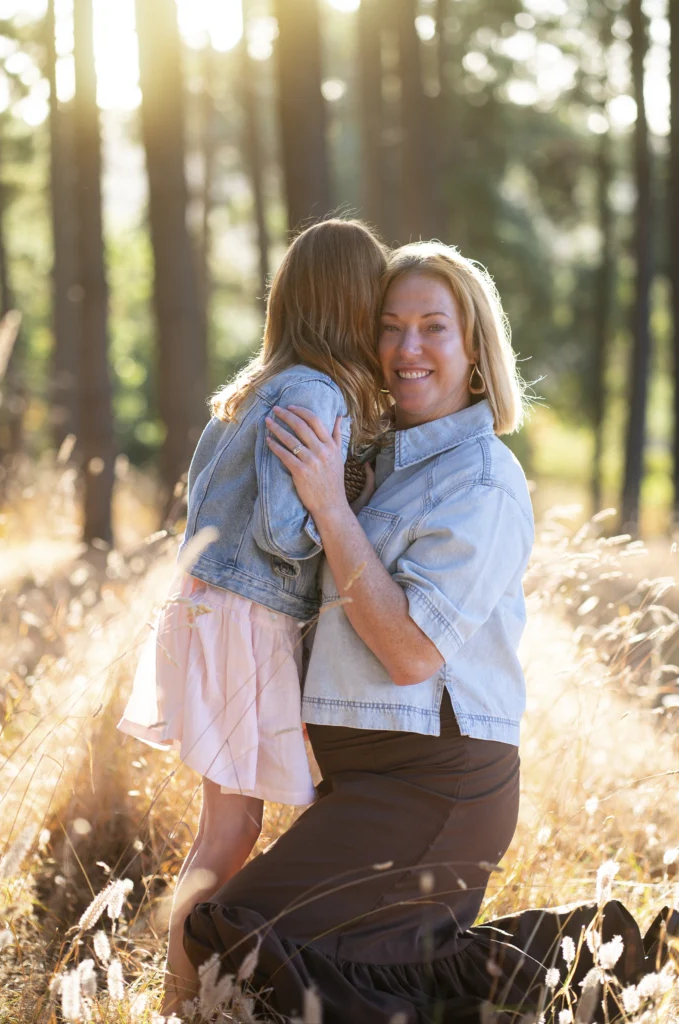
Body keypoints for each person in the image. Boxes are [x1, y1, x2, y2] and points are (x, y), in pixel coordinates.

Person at [183, 243, 677, 1023]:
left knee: (238, 942)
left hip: (434, 785)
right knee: (329, 965)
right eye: (390, 326)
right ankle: (561, 980)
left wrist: (329, 508)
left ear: (475, 352)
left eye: (433, 328)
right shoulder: (384, 461)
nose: (407, 348)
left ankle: (576, 983)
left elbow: (410, 653)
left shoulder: (481, 479)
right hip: (366, 781)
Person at [117, 218, 389, 1013]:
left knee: (227, 827)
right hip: (246, 623)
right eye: (375, 301)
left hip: (215, 613)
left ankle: (197, 985)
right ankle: (177, 997)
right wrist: (352, 506)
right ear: (348, 304)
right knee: (231, 833)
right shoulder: (313, 391)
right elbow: (284, 527)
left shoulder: (259, 384)